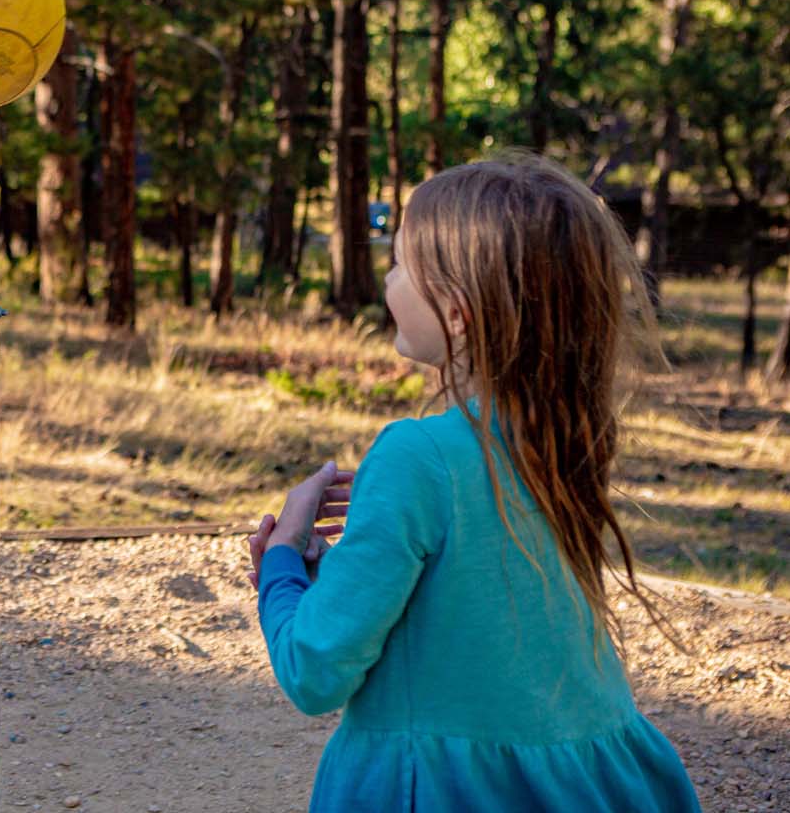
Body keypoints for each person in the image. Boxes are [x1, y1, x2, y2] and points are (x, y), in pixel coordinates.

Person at [247, 154, 700, 812]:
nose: (388, 277)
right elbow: (467, 621)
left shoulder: (415, 456)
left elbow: (316, 669)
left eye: (400, 262)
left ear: (457, 313)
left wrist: (284, 563)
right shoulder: (562, 441)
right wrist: (337, 576)